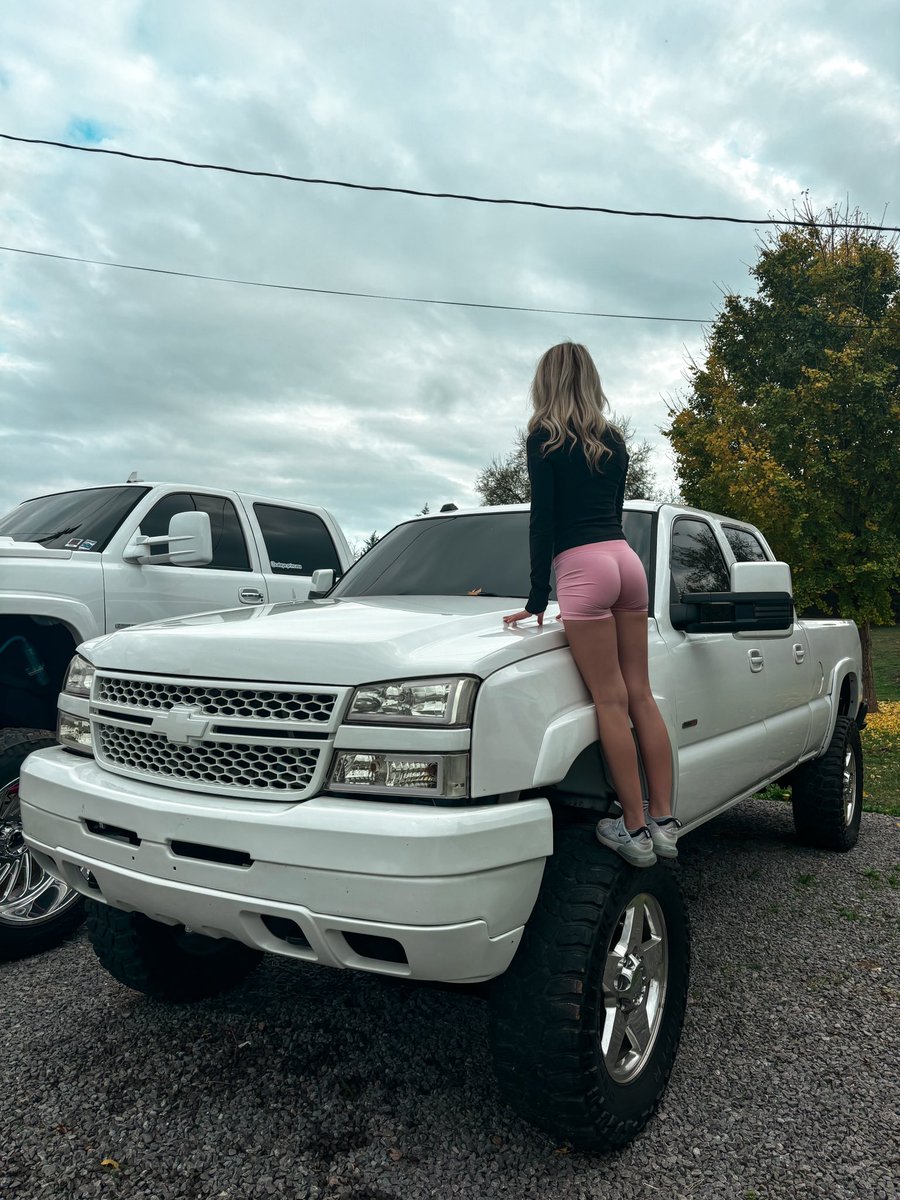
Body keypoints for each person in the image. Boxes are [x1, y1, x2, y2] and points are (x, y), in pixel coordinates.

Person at [503, 342, 679, 867]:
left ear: (546, 382)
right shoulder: (614, 439)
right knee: (641, 694)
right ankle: (664, 821)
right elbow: (614, 506)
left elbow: (544, 520)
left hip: (582, 565)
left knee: (610, 701)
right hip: (626, 559)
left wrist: (538, 596)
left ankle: (631, 827)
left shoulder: (544, 437)